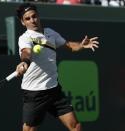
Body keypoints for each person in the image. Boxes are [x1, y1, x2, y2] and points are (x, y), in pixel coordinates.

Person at [15, 3, 99, 131]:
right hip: (35, 93)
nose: (32, 20)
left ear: (38, 16)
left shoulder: (50, 33)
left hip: (54, 90)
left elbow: (69, 45)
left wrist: (81, 45)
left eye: (34, 16)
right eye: (28, 18)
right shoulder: (25, 38)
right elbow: (26, 52)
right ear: (22, 22)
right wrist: (24, 62)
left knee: (75, 126)